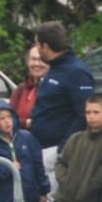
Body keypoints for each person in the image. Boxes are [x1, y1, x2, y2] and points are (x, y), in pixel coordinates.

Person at [28, 22, 94, 175]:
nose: (37, 48)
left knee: (53, 197)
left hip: (57, 152)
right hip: (40, 147)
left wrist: (63, 149)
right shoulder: (54, 68)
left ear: (45, 46)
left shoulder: (76, 72)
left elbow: (84, 113)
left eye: (38, 44)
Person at [10, 47, 46, 125]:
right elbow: (9, 118)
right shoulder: (21, 89)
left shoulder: (55, 89)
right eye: (33, 59)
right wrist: (26, 122)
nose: (36, 64)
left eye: (41, 59)